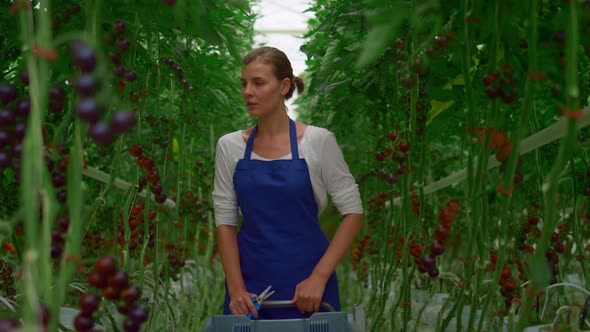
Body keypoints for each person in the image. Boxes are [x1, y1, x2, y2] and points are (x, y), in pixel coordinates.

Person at [212, 46, 363, 320]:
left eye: (258, 83)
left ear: (283, 86)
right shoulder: (229, 146)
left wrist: (318, 277)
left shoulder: (318, 141)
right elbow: (225, 221)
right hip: (248, 285)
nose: (248, 91)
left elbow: (353, 212)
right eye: (244, 83)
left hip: (308, 284)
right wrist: (236, 289)